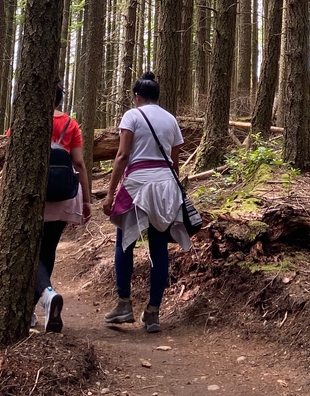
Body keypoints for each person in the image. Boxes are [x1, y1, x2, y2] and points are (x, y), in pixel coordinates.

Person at [103, 71, 191, 334]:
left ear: (137, 96)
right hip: (165, 185)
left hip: (137, 184)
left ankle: (124, 304)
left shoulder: (132, 116)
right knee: (159, 247)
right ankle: (153, 313)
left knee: (125, 242)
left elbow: (122, 155)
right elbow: (175, 163)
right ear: (157, 96)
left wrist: (109, 193)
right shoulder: (171, 120)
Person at [33, 81, 91, 332]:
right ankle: (35, 309)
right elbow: (78, 163)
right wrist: (87, 200)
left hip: (33, 194)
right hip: (64, 193)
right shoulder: (71, 124)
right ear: (59, 99)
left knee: (30, 253)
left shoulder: (28, 120)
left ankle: (46, 296)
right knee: (48, 250)